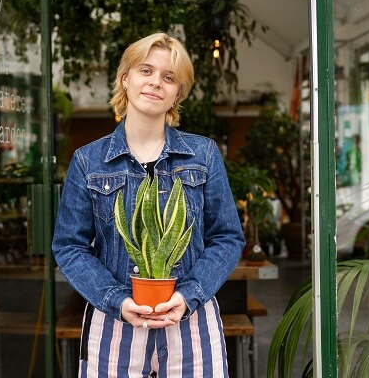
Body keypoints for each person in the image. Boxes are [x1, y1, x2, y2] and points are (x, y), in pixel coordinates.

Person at [52, 32, 246, 377]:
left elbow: (228, 237)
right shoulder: (88, 161)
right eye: (146, 71)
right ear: (125, 79)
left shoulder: (202, 155)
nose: (156, 82)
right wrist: (117, 300)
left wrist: (189, 295)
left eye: (169, 77)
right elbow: (69, 247)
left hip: (191, 323)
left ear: (177, 94)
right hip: (114, 324)